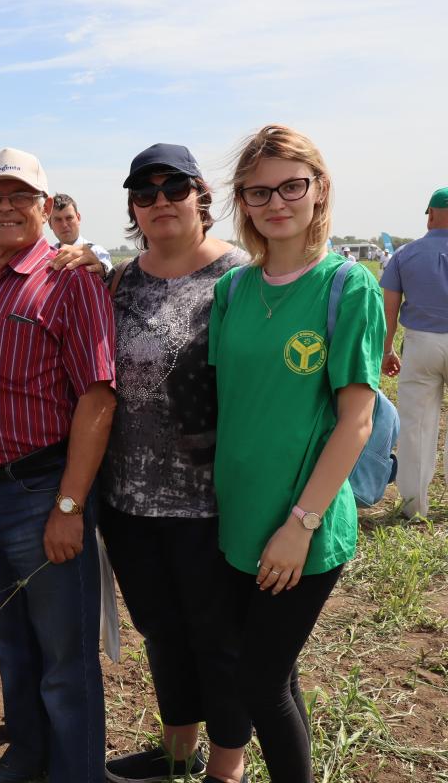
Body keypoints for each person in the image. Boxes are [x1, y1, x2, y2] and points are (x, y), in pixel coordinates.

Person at [211, 124, 383, 782]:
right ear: (244, 201)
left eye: (291, 185)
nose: (276, 201)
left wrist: (299, 525)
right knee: (269, 676)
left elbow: (357, 421)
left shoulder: (346, 286)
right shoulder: (233, 291)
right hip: (236, 520)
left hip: (300, 528)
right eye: (259, 191)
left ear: (319, 190)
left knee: (257, 684)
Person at [0, 148, 116, 783]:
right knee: (13, 646)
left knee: (64, 657)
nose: (7, 207)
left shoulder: (72, 280)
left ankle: (78, 774)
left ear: (46, 207)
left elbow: (98, 396)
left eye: (22, 197)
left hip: (45, 490)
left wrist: (70, 505)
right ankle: (29, 758)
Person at [99, 144, 250, 783]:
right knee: (161, 631)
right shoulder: (121, 280)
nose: (160, 199)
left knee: (217, 639)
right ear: (133, 206)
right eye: (145, 190)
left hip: (211, 500)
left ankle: (226, 766)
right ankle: (176, 752)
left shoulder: (240, 277)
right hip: (128, 499)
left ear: (201, 196)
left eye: (174, 187)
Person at [380, 186, 448, 518]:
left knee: (416, 425)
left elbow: (388, 310)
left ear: (432, 215)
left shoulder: (404, 255)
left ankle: (414, 505)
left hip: (421, 342)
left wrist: (387, 349)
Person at [48, 192, 113, 271]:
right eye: (58, 220)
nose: (64, 224)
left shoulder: (97, 252)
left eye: (69, 218)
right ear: (50, 224)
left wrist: (102, 269)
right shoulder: (48, 257)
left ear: (78, 218)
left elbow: (110, 276)